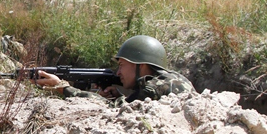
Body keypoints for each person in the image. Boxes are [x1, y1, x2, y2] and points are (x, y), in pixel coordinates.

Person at [35, 35, 194, 102]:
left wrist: (64, 88)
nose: (118, 73)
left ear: (141, 65)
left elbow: (114, 110)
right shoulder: (174, 79)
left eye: (122, 65)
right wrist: (121, 94)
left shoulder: (152, 89)